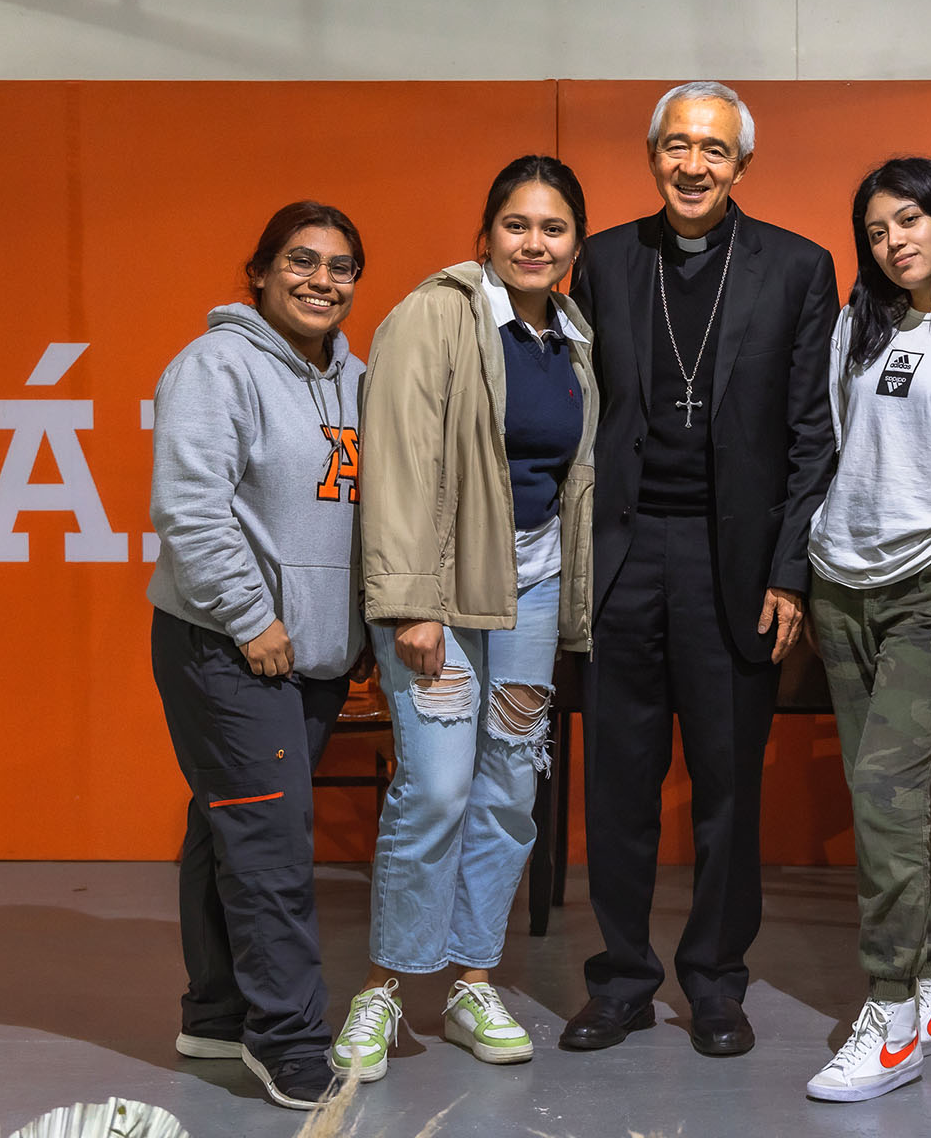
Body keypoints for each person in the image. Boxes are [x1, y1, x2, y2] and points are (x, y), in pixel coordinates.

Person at [560, 81, 838, 1058]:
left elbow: (815, 432)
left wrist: (790, 571)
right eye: (676, 145)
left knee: (728, 788)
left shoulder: (800, 268)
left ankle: (717, 984)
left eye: (713, 150)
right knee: (620, 784)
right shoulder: (601, 262)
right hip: (624, 558)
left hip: (738, 565)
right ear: (651, 155)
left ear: (741, 166)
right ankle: (624, 980)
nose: (692, 164)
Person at [335, 155, 598, 1084]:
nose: (535, 243)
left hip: (530, 590)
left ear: (573, 243)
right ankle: (385, 988)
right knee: (437, 788)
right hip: (439, 595)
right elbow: (399, 464)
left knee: (509, 791)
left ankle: (470, 981)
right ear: (486, 233)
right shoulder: (433, 315)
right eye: (518, 225)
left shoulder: (569, 332)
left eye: (554, 228)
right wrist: (409, 602)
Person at [802, 157, 931, 1102]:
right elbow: (833, 447)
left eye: (910, 220)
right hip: (840, 581)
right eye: (877, 230)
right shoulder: (859, 323)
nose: (894, 241)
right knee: (883, 795)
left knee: (886, 792)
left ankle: (889, 1014)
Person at [147, 200, 369, 1110]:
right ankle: (289, 1041)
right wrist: (251, 616)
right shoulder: (216, 366)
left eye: (341, 266)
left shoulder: (353, 378)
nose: (321, 279)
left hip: (309, 657)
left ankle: (217, 1014)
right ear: (262, 271)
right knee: (272, 850)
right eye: (301, 260)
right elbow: (191, 511)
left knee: (229, 827)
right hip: (229, 648)